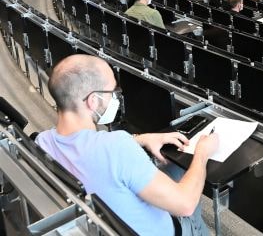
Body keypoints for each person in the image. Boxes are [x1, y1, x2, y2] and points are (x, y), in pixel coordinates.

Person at [36, 55, 219, 236]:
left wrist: (141, 139)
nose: (115, 98)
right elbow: (185, 204)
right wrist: (202, 153)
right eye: (112, 92)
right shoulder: (117, 147)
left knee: (173, 168)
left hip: (103, 226)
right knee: (186, 172)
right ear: (94, 101)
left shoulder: (42, 142)